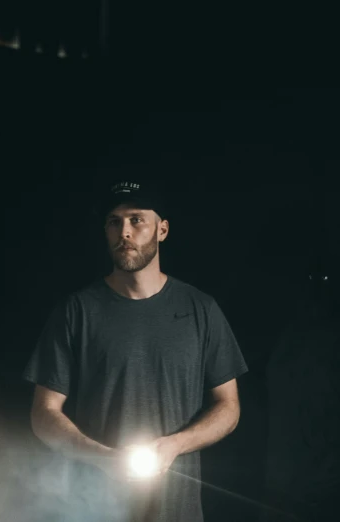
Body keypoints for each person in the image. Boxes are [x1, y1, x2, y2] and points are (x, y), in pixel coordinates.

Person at [22, 178, 248, 522]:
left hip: (178, 512)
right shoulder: (77, 311)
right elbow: (43, 413)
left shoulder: (201, 309)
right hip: (96, 510)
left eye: (136, 219)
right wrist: (101, 456)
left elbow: (229, 406)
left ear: (163, 229)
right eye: (114, 222)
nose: (124, 232)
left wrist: (173, 446)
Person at [262, 250, 340, 522]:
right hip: (283, 482)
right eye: (311, 277)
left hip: (338, 485)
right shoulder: (290, 333)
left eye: (327, 277)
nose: (318, 284)